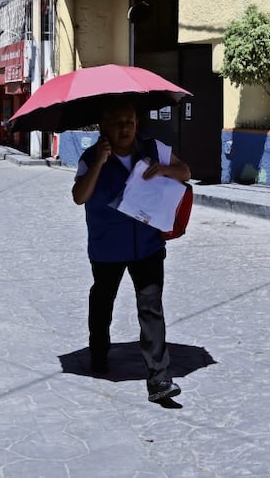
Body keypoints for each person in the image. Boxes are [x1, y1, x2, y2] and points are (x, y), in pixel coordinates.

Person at [72, 98, 191, 403]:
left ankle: (159, 378)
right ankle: (99, 353)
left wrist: (162, 170)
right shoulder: (89, 157)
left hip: (147, 245)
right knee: (103, 300)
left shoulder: (153, 150)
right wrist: (99, 161)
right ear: (104, 127)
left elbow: (185, 172)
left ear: (137, 123)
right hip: (107, 246)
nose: (125, 127)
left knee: (151, 308)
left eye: (129, 121)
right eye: (117, 122)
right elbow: (79, 196)